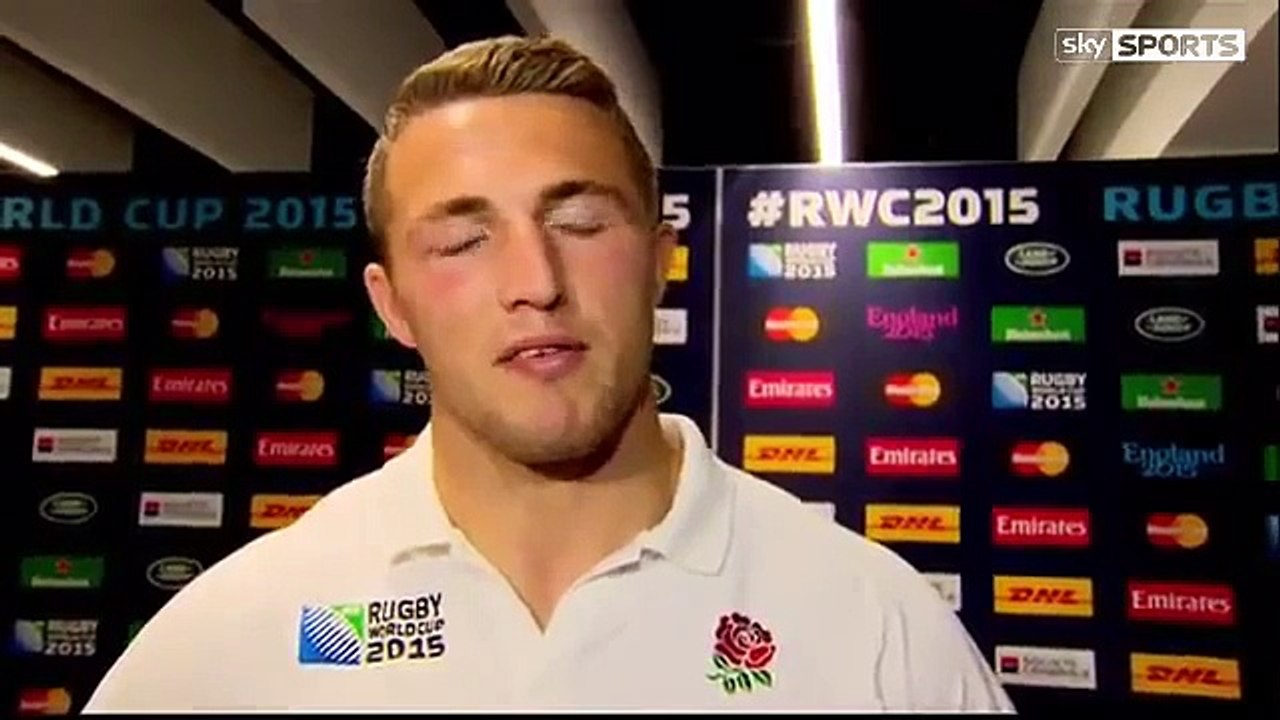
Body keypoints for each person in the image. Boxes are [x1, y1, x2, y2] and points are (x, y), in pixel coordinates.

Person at [84, 35, 1014, 713]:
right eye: (463, 241)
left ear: (661, 261)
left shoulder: (874, 626)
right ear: (392, 305)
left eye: (579, 223)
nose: (535, 282)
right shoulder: (236, 637)